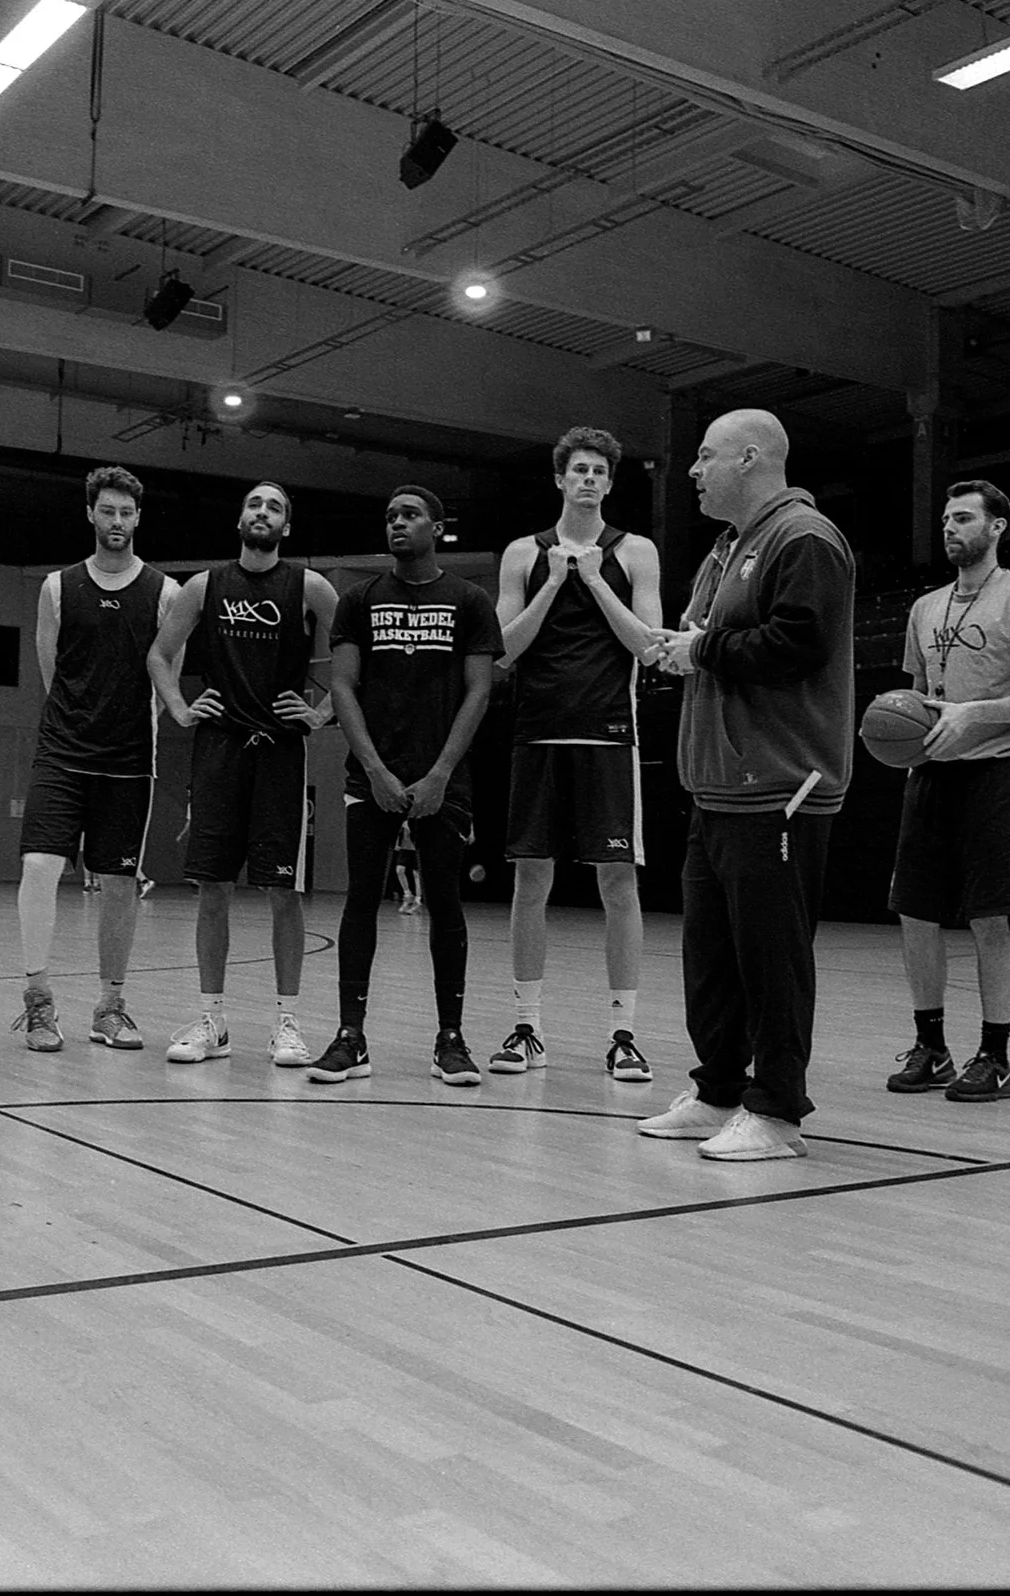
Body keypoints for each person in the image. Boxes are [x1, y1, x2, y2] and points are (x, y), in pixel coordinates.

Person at [634, 410, 855, 1160]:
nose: (694, 472)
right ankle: (718, 1092)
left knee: (772, 962)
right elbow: (711, 640)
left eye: (705, 457)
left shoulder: (804, 538)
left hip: (780, 786)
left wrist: (702, 650)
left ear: (751, 457)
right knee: (712, 961)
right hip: (719, 788)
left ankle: (779, 1111)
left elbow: (799, 642)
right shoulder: (726, 548)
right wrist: (684, 648)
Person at [490, 425, 664, 1083]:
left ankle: (623, 1036)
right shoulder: (522, 552)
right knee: (530, 879)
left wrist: (593, 581)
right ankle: (527, 1028)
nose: (589, 479)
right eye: (579, 470)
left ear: (609, 484)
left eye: (599, 471)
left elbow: (649, 646)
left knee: (618, 883)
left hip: (609, 735)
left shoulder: (635, 551)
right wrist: (553, 583)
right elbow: (503, 650)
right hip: (536, 733)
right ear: (560, 479)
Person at [146, 481, 339, 1067]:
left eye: (274, 507)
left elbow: (357, 661)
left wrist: (322, 713)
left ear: (287, 527)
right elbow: (159, 655)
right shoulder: (205, 586)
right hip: (218, 751)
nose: (263, 512)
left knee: (283, 891)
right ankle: (213, 1020)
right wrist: (181, 709)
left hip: (280, 753)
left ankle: (287, 1022)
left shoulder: (311, 587)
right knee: (213, 888)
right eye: (254, 504)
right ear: (239, 520)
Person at [312, 488, 501, 1087]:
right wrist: (375, 770)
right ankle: (351, 1037)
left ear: (437, 528)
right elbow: (343, 687)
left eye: (410, 515)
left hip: (444, 779)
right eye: (391, 515)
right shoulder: (358, 600)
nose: (397, 523)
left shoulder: (470, 600)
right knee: (361, 900)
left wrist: (440, 772)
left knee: (445, 904)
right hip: (372, 778)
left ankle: (451, 1039)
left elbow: (479, 690)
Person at [883, 481, 1010, 1104]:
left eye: (963, 518)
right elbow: (916, 697)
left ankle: (996, 1057)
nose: (950, 528)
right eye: (945, 519)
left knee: (989, 918)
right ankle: (931, 1048)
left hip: (997, 771)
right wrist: (898, 730)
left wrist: (974, 713)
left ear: (996, 527)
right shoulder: (925, 607)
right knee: (915, 913)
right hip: (930, 774)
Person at [14, 466, 179, 1051]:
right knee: (39, 867)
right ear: (90, 514)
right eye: (107, 511)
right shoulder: (57, 587)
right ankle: (38, 1002)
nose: (116, 521)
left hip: (129, 761)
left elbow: (167, 679)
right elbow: (51, 672)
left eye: (126, 513)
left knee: (118, 883)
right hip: (62, 752)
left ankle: (109, 1008)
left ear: (138, 518)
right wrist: (79, 719)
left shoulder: (165, 593)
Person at [390, 824, 422, 916]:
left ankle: (418, 901)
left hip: (416, 848)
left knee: (416, 874)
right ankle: (408, 895)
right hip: (405, 847)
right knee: (399, 870)